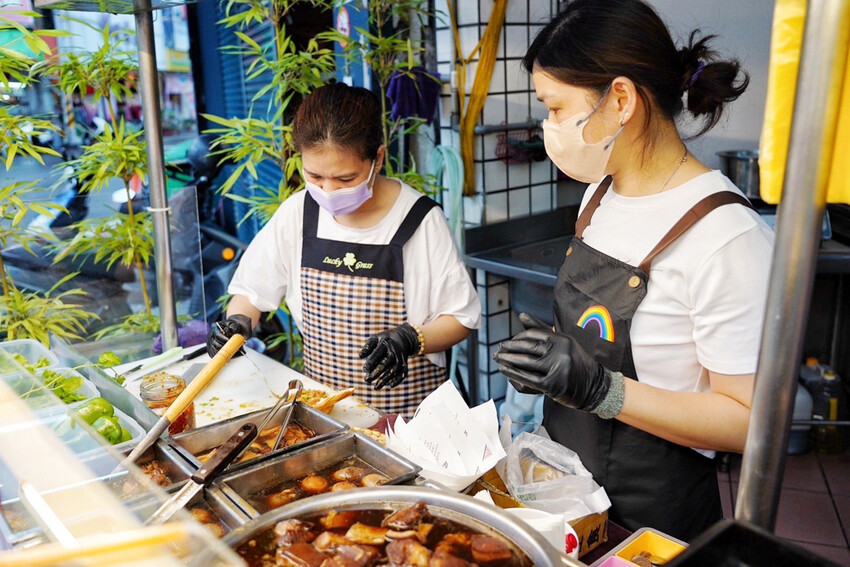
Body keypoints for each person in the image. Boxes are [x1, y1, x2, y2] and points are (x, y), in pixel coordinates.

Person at [494, 0, 773, 540]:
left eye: (555, 108)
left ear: (621, 99)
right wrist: (549, 361)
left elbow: (748, 421)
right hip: (565, 493)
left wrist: (603, 390)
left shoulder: (726, 237)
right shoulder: (598, 196)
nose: (549, 127)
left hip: (651, 518)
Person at [208, 83, 481, 418]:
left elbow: (461, 317)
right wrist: (236, 325)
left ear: (378, 158)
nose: (328, 190)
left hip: (409, 422)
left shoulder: (420, 220)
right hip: (325, 414)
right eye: (315, 176)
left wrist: (409, 338)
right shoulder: (299, 213)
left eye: (346, 179)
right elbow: (251, 292)